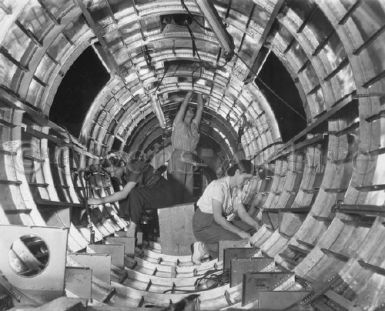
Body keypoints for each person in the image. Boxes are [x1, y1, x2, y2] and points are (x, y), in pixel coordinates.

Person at [87, 152, 182, 236]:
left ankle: (133, 227)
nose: (112, 175)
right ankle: (131, 227)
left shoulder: (136, 167)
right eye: (110, 173)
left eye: (114, 171)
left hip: (165, 194)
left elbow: (124, 194)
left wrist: (100, 200)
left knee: (133, 193)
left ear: (122, 164)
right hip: (153, 195)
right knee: (126, 198)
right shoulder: (125, 175)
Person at [191, 159, 260, 264]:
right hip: (203, 224)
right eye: (245, 179)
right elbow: (218, 218)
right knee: (239, 241)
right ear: (237, 172)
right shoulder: (219, 186)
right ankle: (204, 247)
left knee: (252, 230)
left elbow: (242, 213)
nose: (246, 182)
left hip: (216, 222)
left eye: (248, 180)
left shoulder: (236, 190)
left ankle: (214, 245)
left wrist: (256, 224)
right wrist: (240, 232)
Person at [168, 91, 204, 202]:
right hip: (178, 158)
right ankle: (174, 216)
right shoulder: (178, 123)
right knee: (177, 191)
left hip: (189, 159)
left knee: (189, 192)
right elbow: (182, 108)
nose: (191, 110)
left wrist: (199, 92)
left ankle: (187, 217)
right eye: (189, 109)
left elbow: (200, 109)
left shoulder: (194, 126)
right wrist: (188, 95)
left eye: (191, 109)